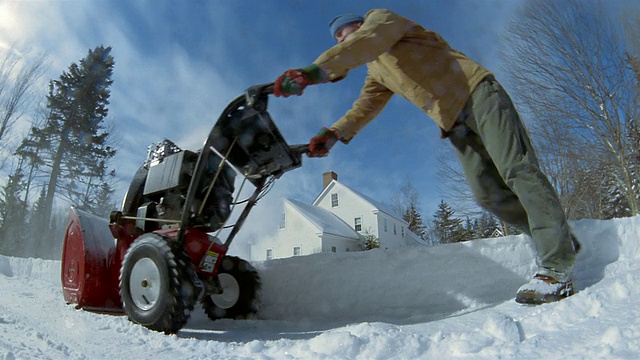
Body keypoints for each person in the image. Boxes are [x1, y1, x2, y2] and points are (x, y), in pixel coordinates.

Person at [272, 9, 580, 305]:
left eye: (344, 32)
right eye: (336, 38)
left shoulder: (384, 21)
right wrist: (333, 134)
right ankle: (558, 237)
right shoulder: (377, 72)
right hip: (454, 123)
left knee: (516, 169)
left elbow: (364, 42)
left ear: (360, 24)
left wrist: (311, 73)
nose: (341, 40)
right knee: (487, 194)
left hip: (478, 94)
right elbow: (364, 107)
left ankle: (556, 265)